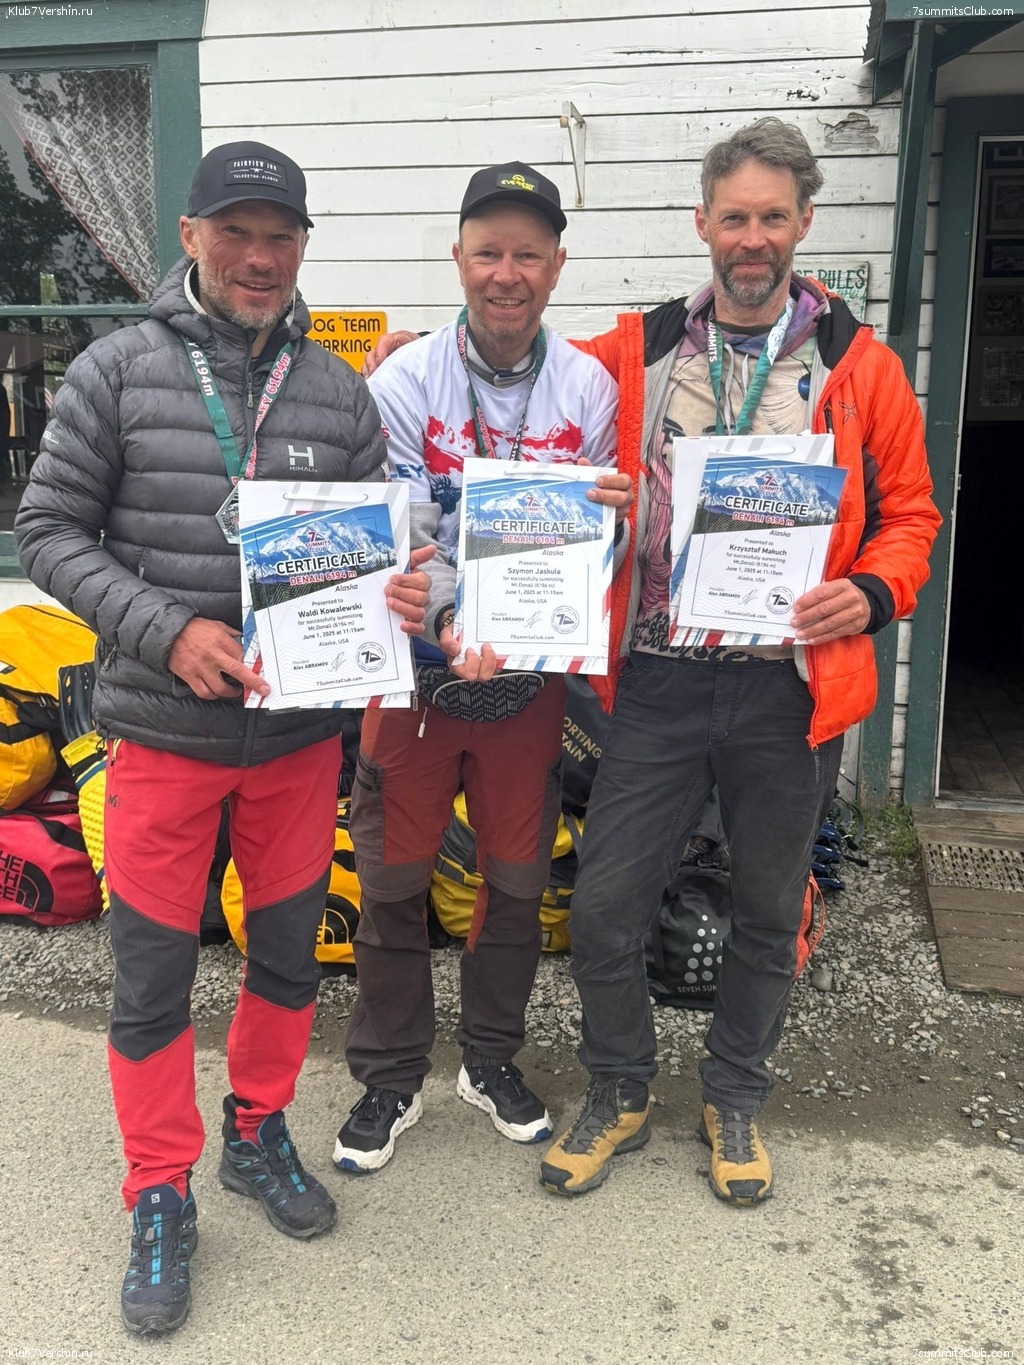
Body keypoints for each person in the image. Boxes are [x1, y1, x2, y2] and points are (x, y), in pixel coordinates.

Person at [15, 140, 431, 1337]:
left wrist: (399, 593)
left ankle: (255, 1129)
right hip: (161, 738)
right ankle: (159, 1187)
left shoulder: (339, 393)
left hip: (296, 745)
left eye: (280, 235)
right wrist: (167, 631)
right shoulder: (116, 370)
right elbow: (47, 530)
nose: (260, 256)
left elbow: (371, 554)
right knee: (151, 984)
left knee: (288, 961)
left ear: (301, 247)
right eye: (237, 232)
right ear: (191, 236)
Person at [534, 118, 941, 1205]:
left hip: (788, 686)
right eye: (733, 218)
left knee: (769, 910)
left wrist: (871, 591)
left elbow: (911, 514)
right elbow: (523, 387)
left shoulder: (861, 368)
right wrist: (401, 355)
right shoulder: (637, 350)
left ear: (802, 223)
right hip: (660, 677)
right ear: (702, 225)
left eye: (771, 217)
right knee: (606, 907)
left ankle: (735, 1095)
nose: (751, 238)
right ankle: (620, 1087)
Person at [334, 161, 630, 1175]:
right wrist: (451, 609)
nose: (508, 273)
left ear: (556, 266)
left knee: (514, 880)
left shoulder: (589, 387)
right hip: (416, 675)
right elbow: (400, 528)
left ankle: (490, 1059)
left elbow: (594, 543)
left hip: (525, 683)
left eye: (528, 255)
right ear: (460, 258)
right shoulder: (403, 379)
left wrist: (610, 532)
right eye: (489, 252)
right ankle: (389, 1074)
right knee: (391, 879)